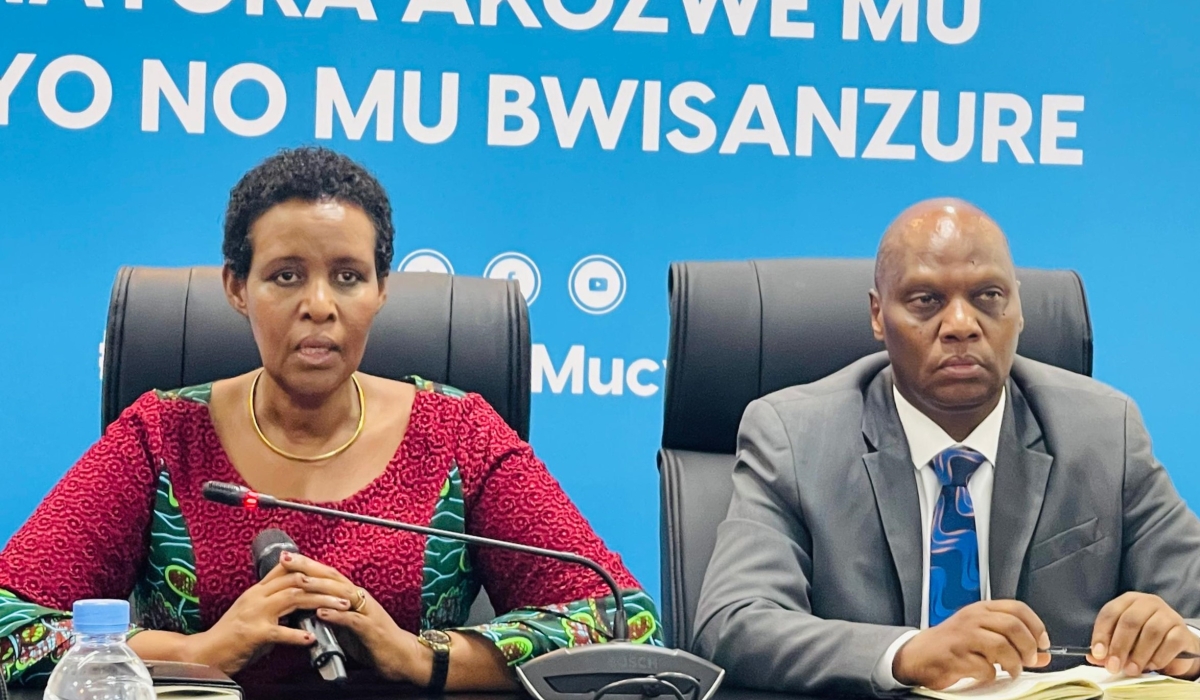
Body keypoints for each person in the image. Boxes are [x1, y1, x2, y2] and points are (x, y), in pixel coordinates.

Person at [0, 147, 661, 689]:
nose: (319, 305)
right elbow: (8, 620)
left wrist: (417, 655)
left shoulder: (459, 433)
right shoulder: (161, 436)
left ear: (381, 289)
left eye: (347, 276)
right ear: (236, 288)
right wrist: (200, 649)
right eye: (286, 276)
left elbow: (623, 618)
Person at [692, 198, 1200, 696]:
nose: (961, 324)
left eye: (988, 297)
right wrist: (907, 655)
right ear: (877, 314)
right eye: (926, 301)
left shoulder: (1103, 431)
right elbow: (734, 622)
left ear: (1018, 310)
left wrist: (1183, 638)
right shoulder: (794, 436)